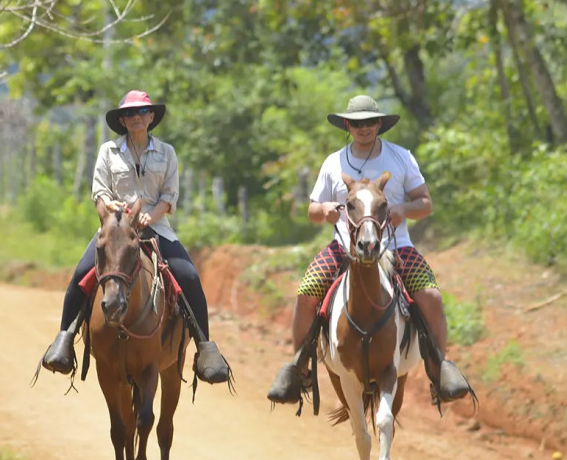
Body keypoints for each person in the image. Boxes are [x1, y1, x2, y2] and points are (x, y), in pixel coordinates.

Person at [266, 94, 472, 404]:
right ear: (348, 125)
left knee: (430, 296)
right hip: (344, 247)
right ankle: (300, 369)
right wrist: (326, 211)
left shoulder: (401, 157)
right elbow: (311, 209)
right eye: (358, 123)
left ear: (379, 124)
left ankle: (439, 369)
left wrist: (403, 209)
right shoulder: (333, 162)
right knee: (306, 294)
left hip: (396, 245)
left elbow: (425, 202)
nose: (364, 128)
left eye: (370, 122)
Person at [40, 90, 232, 384]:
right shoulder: (108, 151)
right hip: (116, 229)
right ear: (123, 121)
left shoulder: (167, 152)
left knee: (189, 277)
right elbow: (99, 193)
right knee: (81, 275)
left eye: (142, 112)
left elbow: (170, 196)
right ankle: (64, 339)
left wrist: (150, 216)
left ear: (151, 116)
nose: (136, 118)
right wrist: (111, 207)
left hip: (156, 226)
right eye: (129, 114)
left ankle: (205, 348)